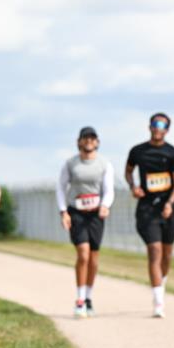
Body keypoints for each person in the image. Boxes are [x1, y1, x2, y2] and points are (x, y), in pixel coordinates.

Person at [125, 113, 174, 317]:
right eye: (155, 123)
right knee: (154, 250)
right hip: (147, 208)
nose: (158, 128)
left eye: (162, 125)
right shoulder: (138, 151)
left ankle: (161, 282)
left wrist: (169, 203)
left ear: (167, 129)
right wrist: (133, 187)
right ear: (149, 126)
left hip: (169, 208)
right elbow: (128, 171)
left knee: (167, 254)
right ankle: (158, 301)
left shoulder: (173, 153)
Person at [56, 126, 115, 318]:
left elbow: (108, 189)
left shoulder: (104, 164)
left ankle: (89, 297)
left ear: (97, 142)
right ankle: (80, 299)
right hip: (77, 212)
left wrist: (105, 205)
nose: (89, 141)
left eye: (92, 138)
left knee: (94, 259)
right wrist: (63, 212)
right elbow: (61, 187)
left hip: (96, 213)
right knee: (83, 254)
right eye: (85, 138)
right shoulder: (71, 164)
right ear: (79, 141)